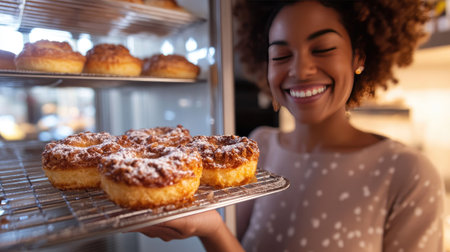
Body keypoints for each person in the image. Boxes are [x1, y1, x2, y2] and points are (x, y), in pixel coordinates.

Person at [137, 0, 445, 251]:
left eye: (322, 49)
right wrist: (211, 229)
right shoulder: (261, 148)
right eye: (281, 55)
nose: (300, 70)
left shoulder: (408, 175)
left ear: (358, 57)